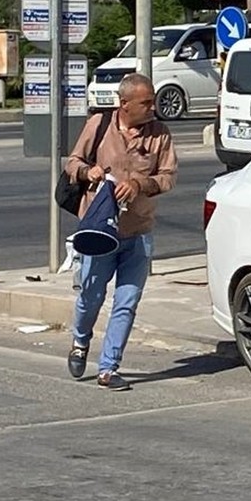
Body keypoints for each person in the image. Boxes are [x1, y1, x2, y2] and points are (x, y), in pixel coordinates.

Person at [64, 73, 178, 391]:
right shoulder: (99, 126)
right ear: (124, 104)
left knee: (127, 301)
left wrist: (141, 183)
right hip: (100, 232)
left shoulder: (159, 134)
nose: (152, 107)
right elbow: (72, 162)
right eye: (146, 102)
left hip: (138, 231)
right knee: (91, 296)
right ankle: (80, 341)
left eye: (153, 100)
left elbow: (168, 176)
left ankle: (108, 367)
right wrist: (90, 171)